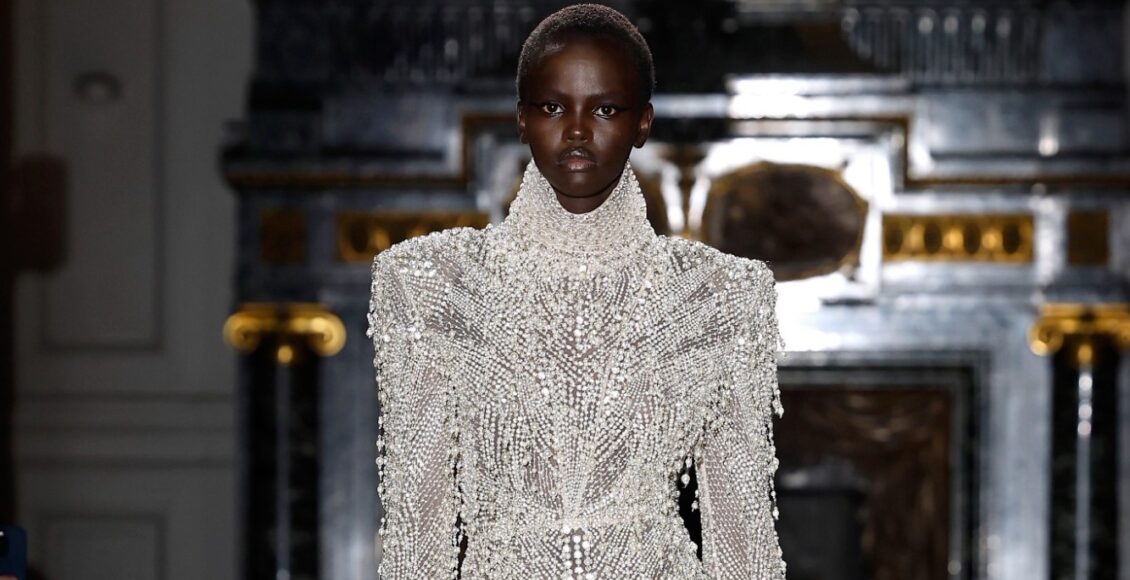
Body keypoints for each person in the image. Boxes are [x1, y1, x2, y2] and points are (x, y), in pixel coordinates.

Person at [366, 4, 786, 578]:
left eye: (605, 109)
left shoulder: (722, 296)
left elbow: (744, 544)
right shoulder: (431, 284)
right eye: (552, 107)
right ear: (521, 119)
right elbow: (417, 537)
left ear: (643, 123)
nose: (578, 131)